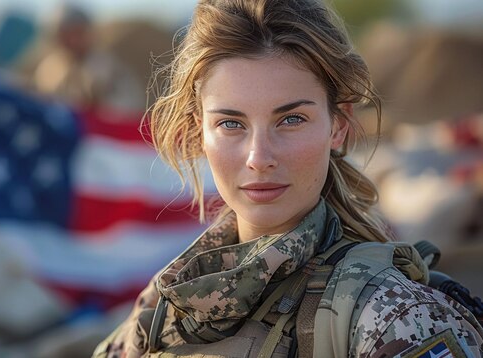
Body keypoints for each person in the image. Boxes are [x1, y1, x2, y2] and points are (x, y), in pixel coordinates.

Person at [92, 0, 483, 357]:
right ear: (200, 131)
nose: (259, 157)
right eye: (231, 123)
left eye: (291, 119)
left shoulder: (395, 318)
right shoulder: (165, 304)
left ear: (339, 125)